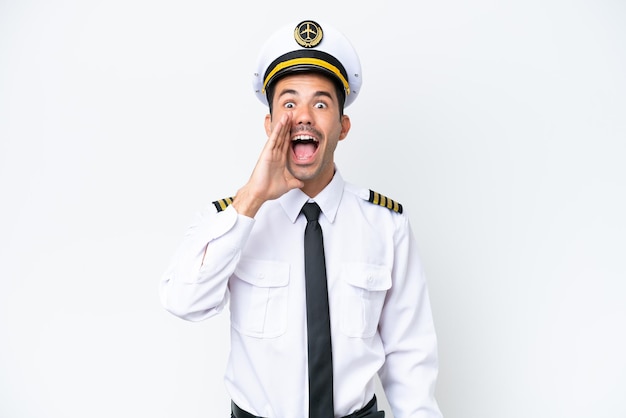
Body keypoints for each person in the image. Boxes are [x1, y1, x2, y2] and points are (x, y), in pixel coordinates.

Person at [160, 19, 443, 418]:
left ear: (342, 127)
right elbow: (182, 301)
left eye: (321, 103)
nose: (304, 117)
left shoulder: (386, 224)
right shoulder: (232, 217)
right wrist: (252, 199)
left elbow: (410, 357)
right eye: (289, 104)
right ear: (268, 124)